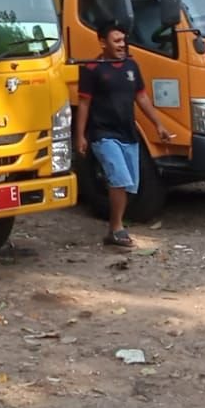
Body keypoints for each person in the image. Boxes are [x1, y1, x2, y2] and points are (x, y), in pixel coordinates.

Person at [76, 22, 174, 247]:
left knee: (130, 186)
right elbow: (84, 103)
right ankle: (116, 228)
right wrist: (80, 135)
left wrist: (158, 125)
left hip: (128, 133)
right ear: (103, 42)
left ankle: (115, 228)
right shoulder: (92, 69)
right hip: (103, 134)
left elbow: (142, 98)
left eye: (123, 40)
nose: (122, 45)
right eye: (116, 41)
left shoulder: (131, 66)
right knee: (119, 179)